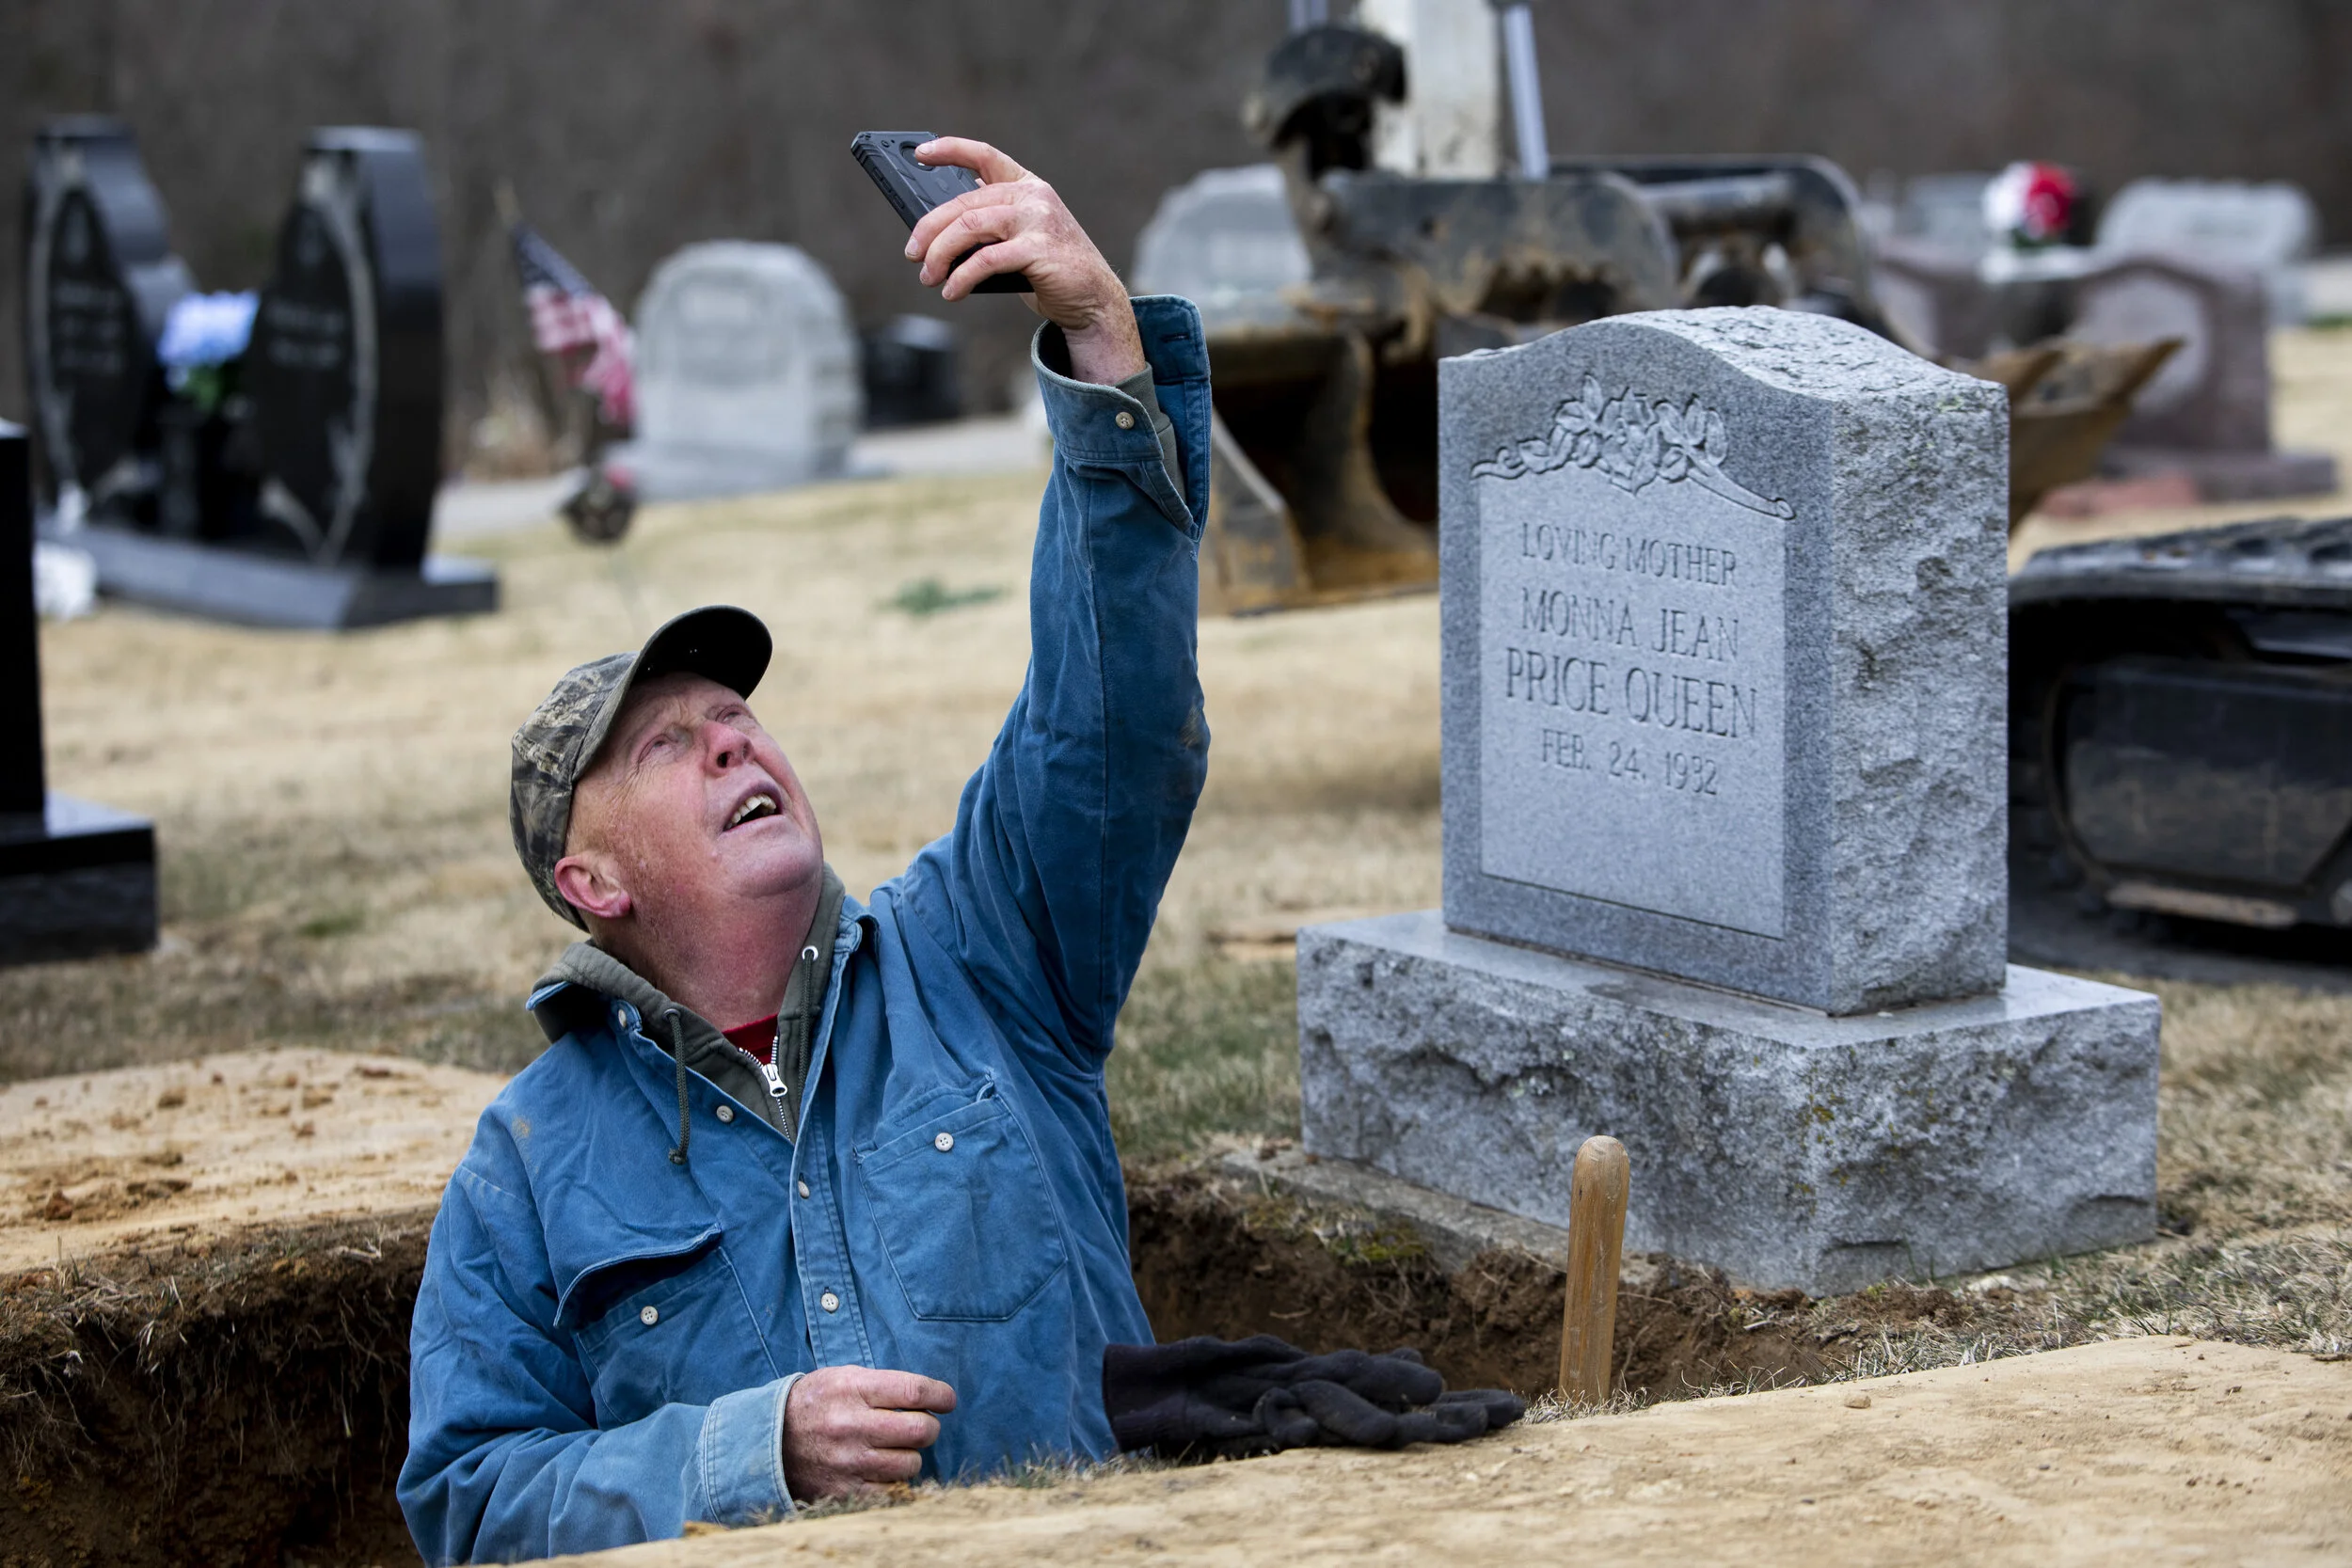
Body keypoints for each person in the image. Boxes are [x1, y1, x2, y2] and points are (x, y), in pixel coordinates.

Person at [398, 138, 1209, 1563]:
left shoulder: (991, 957)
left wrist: (1099, 342)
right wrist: (746, 1449)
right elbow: (468, 1499)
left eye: (736, 716)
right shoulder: (526, 1165)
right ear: (593, 884)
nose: (732, 742)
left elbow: (1112, 728)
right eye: (666, 746)